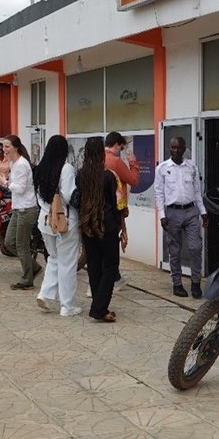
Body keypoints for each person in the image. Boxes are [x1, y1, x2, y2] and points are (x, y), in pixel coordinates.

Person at [78, 137, 126, 322]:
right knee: (111, 266)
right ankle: (99, 308)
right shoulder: (108, 176)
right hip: (107, 225)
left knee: (94, 265)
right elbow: (117, 204)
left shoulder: (81, 175)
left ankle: (99, 305)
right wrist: (122, 227)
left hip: (87, 226)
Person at [34, 135, 81, 316]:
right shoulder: (66, 168)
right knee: (67, 263)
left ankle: (45, 295)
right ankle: (67, 306)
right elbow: (69, 196)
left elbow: (38, 199)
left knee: (54, 258)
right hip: (64, 222)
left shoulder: (40, 169)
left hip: (45, 222)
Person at [155, 136, 207, 298]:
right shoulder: (162, 168)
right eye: (173, 148)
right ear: (170, 149)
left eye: (178, 148)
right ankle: (177, 284)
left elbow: (198, 192)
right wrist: (162, 216)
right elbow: (158, 193)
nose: (175, 151)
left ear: (184, 149)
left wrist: (203, 212)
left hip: (191, 211)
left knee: (195, 248)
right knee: (175, 250)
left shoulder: (191, 167)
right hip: (172, 213)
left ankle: (196, 283)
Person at [2, 135, 39, 290]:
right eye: (3, 146)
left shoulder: (22, 164)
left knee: (21, 245)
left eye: (7, 146)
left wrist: (7, 184)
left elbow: (21, 188)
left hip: (27, 209)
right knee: (9, 242)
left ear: (16, 147)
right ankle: (34, 267)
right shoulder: (13, 163)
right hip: (18, 208)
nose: (4, 150)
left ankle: (27, 279)